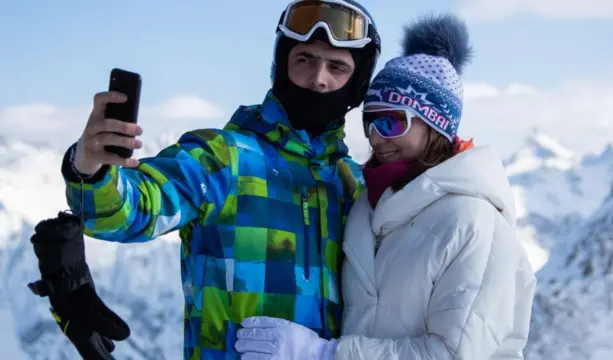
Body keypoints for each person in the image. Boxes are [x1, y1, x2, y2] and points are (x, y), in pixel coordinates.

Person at [41, 1, 382, 359]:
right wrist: (91, 171)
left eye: (337, 67)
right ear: (282, 66)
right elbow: (132, 210)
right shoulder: (222, 158)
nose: (318, 78)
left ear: (356, 85)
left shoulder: (355, 186)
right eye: (305, 59)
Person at [235, 13, 537, 360]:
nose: (378, 137)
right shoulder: (367, 206)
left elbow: (455, 354)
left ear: (435, 126)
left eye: (394, 121)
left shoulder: (472, 221)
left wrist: (326, 355)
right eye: (370, 121)